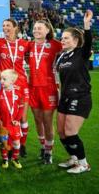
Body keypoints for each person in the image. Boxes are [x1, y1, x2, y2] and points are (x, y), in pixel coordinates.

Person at [56, 9, 94, 174]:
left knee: (71, 132)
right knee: (61, 132)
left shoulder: (82, 53)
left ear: (76, 40)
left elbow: (89, 41)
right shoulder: (63, 56)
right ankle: (73, 158)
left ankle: (84, 164)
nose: (62, 40)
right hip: (65, 97)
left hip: (80, 97)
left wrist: (86, 25)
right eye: (62, 38)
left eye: (66, 38)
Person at [0, 19, 30, 157]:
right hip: (6, 85)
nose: (5, 28)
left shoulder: (24, 44)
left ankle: (21, 145)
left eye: (7, 25)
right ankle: (8, 147)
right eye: (3, 26)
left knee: (22, 118)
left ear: (15, 27)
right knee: (7, 118)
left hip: (21, 84)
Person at [27, 20, 62, 164]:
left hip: (49, 88)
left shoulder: (55, 44)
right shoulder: (29, 45)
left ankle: (49, 151)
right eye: (34, 28)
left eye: (39, 28)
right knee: (37, 119)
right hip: (33, 87)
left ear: (47, 30)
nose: (36, 30)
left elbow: (74, 48)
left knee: (47, 121)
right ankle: (43, 147)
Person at [0, 69, 26, 169]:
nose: (1, 81)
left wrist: (17, 119)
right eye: (1, 79)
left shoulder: (18, 94)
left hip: (14, 125)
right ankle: (5, 160)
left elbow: (21, 108)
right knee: (4, 143)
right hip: (3, 124)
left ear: (12, 81)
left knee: (16, 143)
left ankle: (15, 158)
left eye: (4, 79)